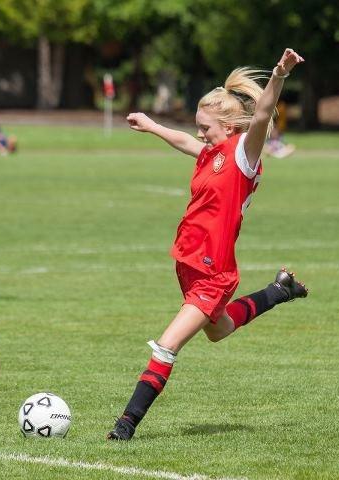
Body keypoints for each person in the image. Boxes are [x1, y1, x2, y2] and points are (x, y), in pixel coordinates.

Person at [107, 48, 308, 441]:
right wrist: (152, 125)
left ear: (231, 127)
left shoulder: (243, 155)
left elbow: (264, 113)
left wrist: (279, 75)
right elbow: (185, 142)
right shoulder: (212, 153)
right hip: (189, 262)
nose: (201, 134)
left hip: (214, 272)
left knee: (167, 346)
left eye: (207, 128)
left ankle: (126, 424)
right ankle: (278, 290)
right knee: (219, 330)